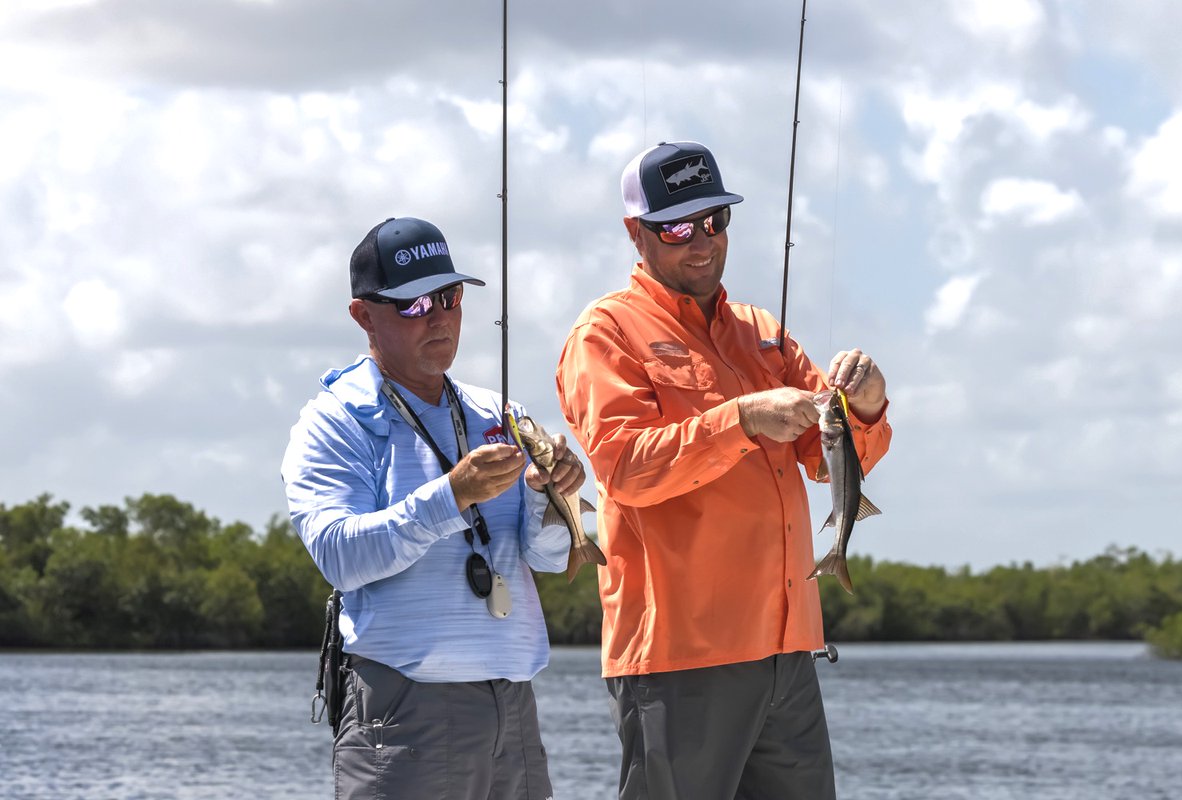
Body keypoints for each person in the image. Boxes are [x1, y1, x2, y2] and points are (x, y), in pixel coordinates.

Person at [555, 141, 893, 800]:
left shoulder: (761, 331)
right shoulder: (605, 334)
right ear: (636, 233)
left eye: (715, 220)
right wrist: (739, 421)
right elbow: (625, 468)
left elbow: (830, 461)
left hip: (789, 651)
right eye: (679, 227)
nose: (702, 241)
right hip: (682, 660)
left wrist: (870, 406)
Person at [282, 216, 584, 800]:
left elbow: (546, 560)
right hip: (405, 709)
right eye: (415, 304)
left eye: (449, 296)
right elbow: (341, 557)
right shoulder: (333, 421)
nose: (440, 316)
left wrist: (553, 500)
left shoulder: (499, 414)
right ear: (363, 315)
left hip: (513, 705)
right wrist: (452, 496)